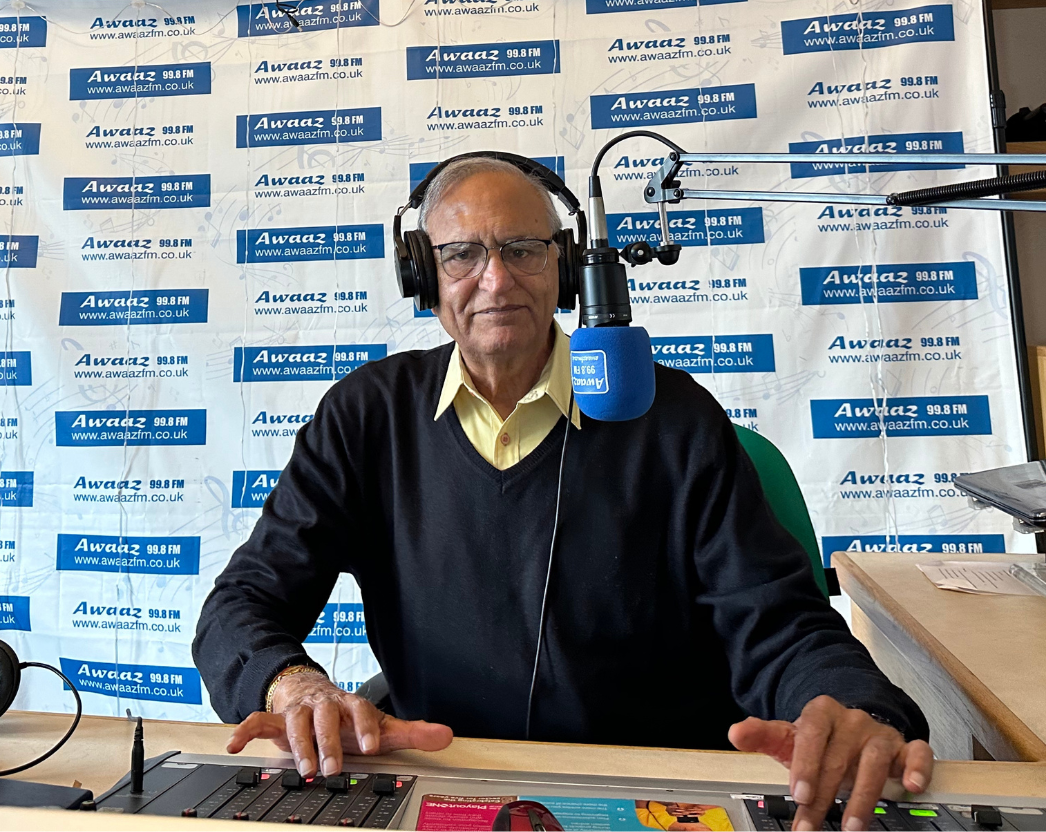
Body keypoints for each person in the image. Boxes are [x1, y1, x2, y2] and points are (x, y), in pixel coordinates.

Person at [194, 155, 933, 832]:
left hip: (658, 792)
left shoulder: (673, 420)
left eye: (523, 249)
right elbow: (242, 604)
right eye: (461, 255)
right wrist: (292, 688)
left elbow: (780, 623)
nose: (496, 279)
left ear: (566, 266)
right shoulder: (366, 418)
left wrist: (855, 710)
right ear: (422, 274)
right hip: (449, 786)